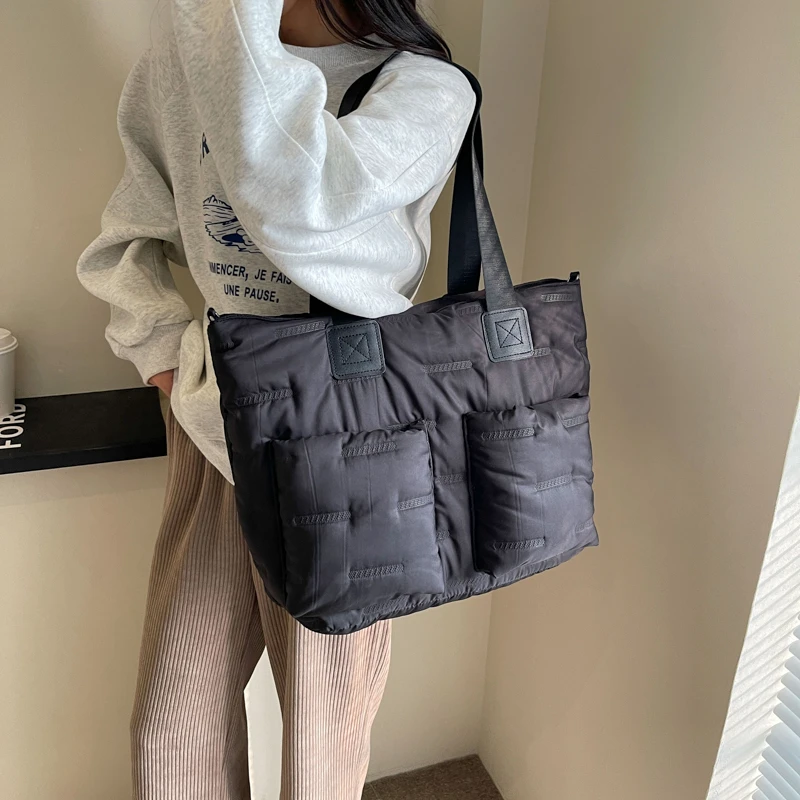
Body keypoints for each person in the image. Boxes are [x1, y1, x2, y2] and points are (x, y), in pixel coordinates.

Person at [76, 0, 475, 797]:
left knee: (320, 747)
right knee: (170, 729)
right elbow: (127, 238)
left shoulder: (426, 88)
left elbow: (301, 205)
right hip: (214, 425)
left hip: (347, 445)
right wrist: (165, 357)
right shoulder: (179, 70)